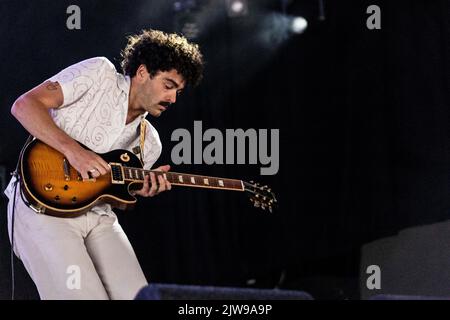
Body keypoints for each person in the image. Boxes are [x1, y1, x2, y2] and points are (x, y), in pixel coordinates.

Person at [4, 29, 204, 299]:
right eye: (168, 86)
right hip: (42, 207)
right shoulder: (100, 73)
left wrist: (140, 190)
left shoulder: (151, 142)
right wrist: (73, 151)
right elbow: (25, 105)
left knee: (139, 296)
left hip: (98, 217)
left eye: (178, 91)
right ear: (143, 72)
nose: (173, 99)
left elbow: (116, 198)